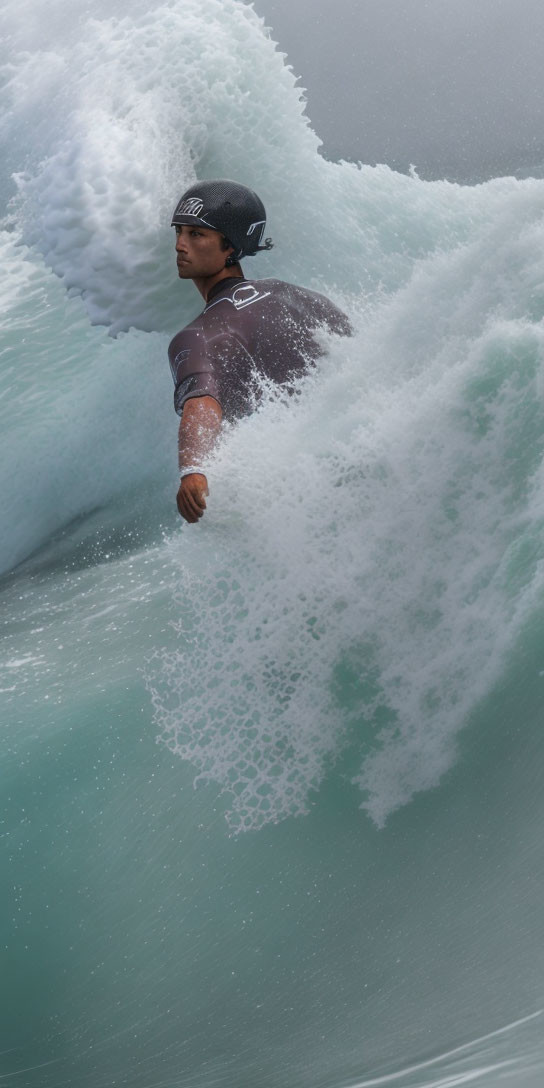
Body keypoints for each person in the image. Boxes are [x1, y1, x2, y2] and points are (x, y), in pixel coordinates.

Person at [168, 179, 351, 523]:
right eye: (179, 232)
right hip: (346, 452)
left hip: (295, 496)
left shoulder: (194, 336)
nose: (180, 245)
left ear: (230, 247)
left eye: (196, 234)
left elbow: (202, 401)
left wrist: (194, 469)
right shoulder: (298, 295)